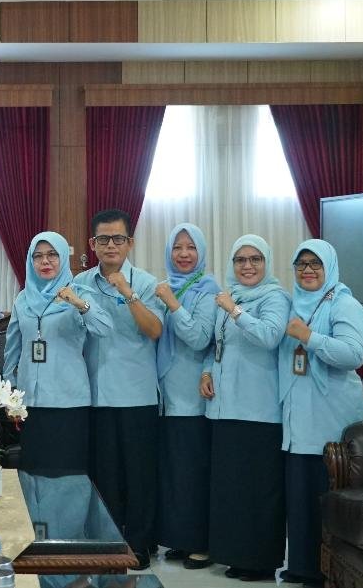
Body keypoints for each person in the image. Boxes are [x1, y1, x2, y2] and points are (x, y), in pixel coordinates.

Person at [73, 209, 163, 569]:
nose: (111, 246)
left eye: (119, 239)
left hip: (136, 395)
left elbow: (154, 330)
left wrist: (127, 293)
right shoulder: (80, 284)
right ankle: (109, 543)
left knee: (140, 475)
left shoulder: (144, 282)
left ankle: (139, 545)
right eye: (104, 239)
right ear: (92, 244)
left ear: (130, 243)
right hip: (94, 396)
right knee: (104, 475)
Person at [279, 239, 363, 587]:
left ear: (329, 267)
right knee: (300, 498)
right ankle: (302, 567)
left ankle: (326, 571)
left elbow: (353, 355)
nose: (307, 271)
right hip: (299, 417)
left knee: (324, 496)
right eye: (301, 264)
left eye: (315, 264)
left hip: (332, 418)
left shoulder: (344, 305)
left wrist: (311, 337)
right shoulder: (294, 304)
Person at [200, 234, 291, 582]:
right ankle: (237, 555)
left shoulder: (275, 298)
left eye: (255, 259)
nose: (247, 266)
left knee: (259, 488)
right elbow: (217, 345)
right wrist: (206, 369)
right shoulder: (230, 295)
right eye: (240, 260)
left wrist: (235, 311)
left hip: (259, 410)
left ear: (266, 262)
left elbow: (269, 336)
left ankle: (262, 560)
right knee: (231, 487)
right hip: (225, 407)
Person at [3, 231, 110, 472]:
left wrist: (78, 304)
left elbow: (104, 329)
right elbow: (12, 350)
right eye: (38, 256)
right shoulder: (22, 299)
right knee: (34, 471)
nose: (45, 261)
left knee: (67, 474)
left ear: (62, 258)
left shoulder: (80, 293)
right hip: (30, 401)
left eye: (52, 255)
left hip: (69, 401)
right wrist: (9, 394)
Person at [153, 223, 220, 570]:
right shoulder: (164, 286)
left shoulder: (208, 290)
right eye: (177, 247)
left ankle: (200, 542)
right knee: (173, 472)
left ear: (202, 252)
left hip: (192, 396)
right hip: (165, 395)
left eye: (191, 248)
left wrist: (172, 304)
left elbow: (199, 337)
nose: (183, 254)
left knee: (193, 472)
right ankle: (179, 539)